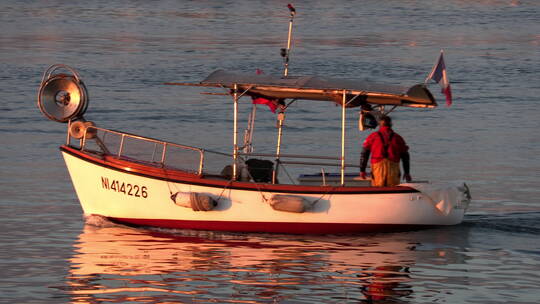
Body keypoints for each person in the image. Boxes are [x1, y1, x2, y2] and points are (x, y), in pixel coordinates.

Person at [360, 116, 412, 186]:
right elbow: (405, 156)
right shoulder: (398, 138)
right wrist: (407, 172)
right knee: (393, 189)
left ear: (379, 125)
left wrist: (362, 170)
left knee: (378, 188)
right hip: (393, 167)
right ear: (391, 124)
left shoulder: (373, 136)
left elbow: (364, 154)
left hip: (377, 167)